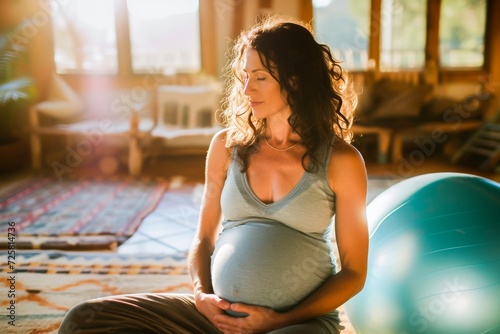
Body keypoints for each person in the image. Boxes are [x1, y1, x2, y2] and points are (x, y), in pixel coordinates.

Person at [58, 15, 368, 334]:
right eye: (245, 76)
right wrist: (200, 294)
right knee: (82, 321)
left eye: (260, 77)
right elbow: (203, 238)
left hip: (297, 324)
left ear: (295, 80)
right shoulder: (227, 146)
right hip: (214, 319)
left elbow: (354, 272)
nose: (247, 89)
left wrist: (278, 320)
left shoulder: (342, 161)